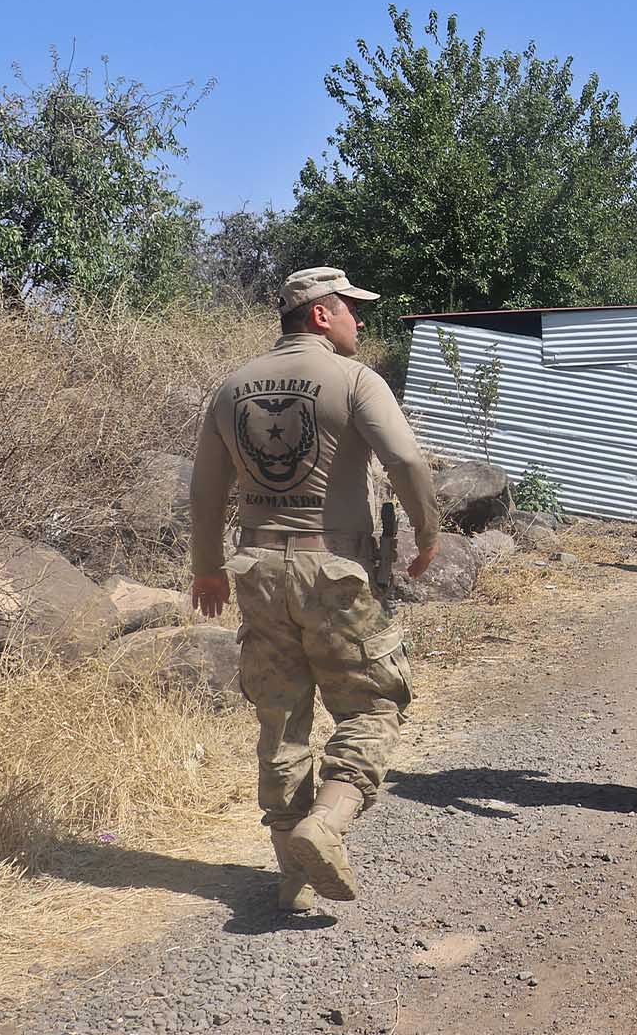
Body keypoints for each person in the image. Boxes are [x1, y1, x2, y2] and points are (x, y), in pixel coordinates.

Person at [188, 266, 441, 913]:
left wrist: (206, 568)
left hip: (255, 572)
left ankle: (291, 880)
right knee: (374, 705)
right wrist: (427, 531)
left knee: (280, 719)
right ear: (321, 315)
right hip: (334, 570)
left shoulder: (230, 389)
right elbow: (407, 460)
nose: (361, 318)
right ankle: (325, 827)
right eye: (352, 308)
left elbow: (206, 491)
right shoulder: (354, 379)